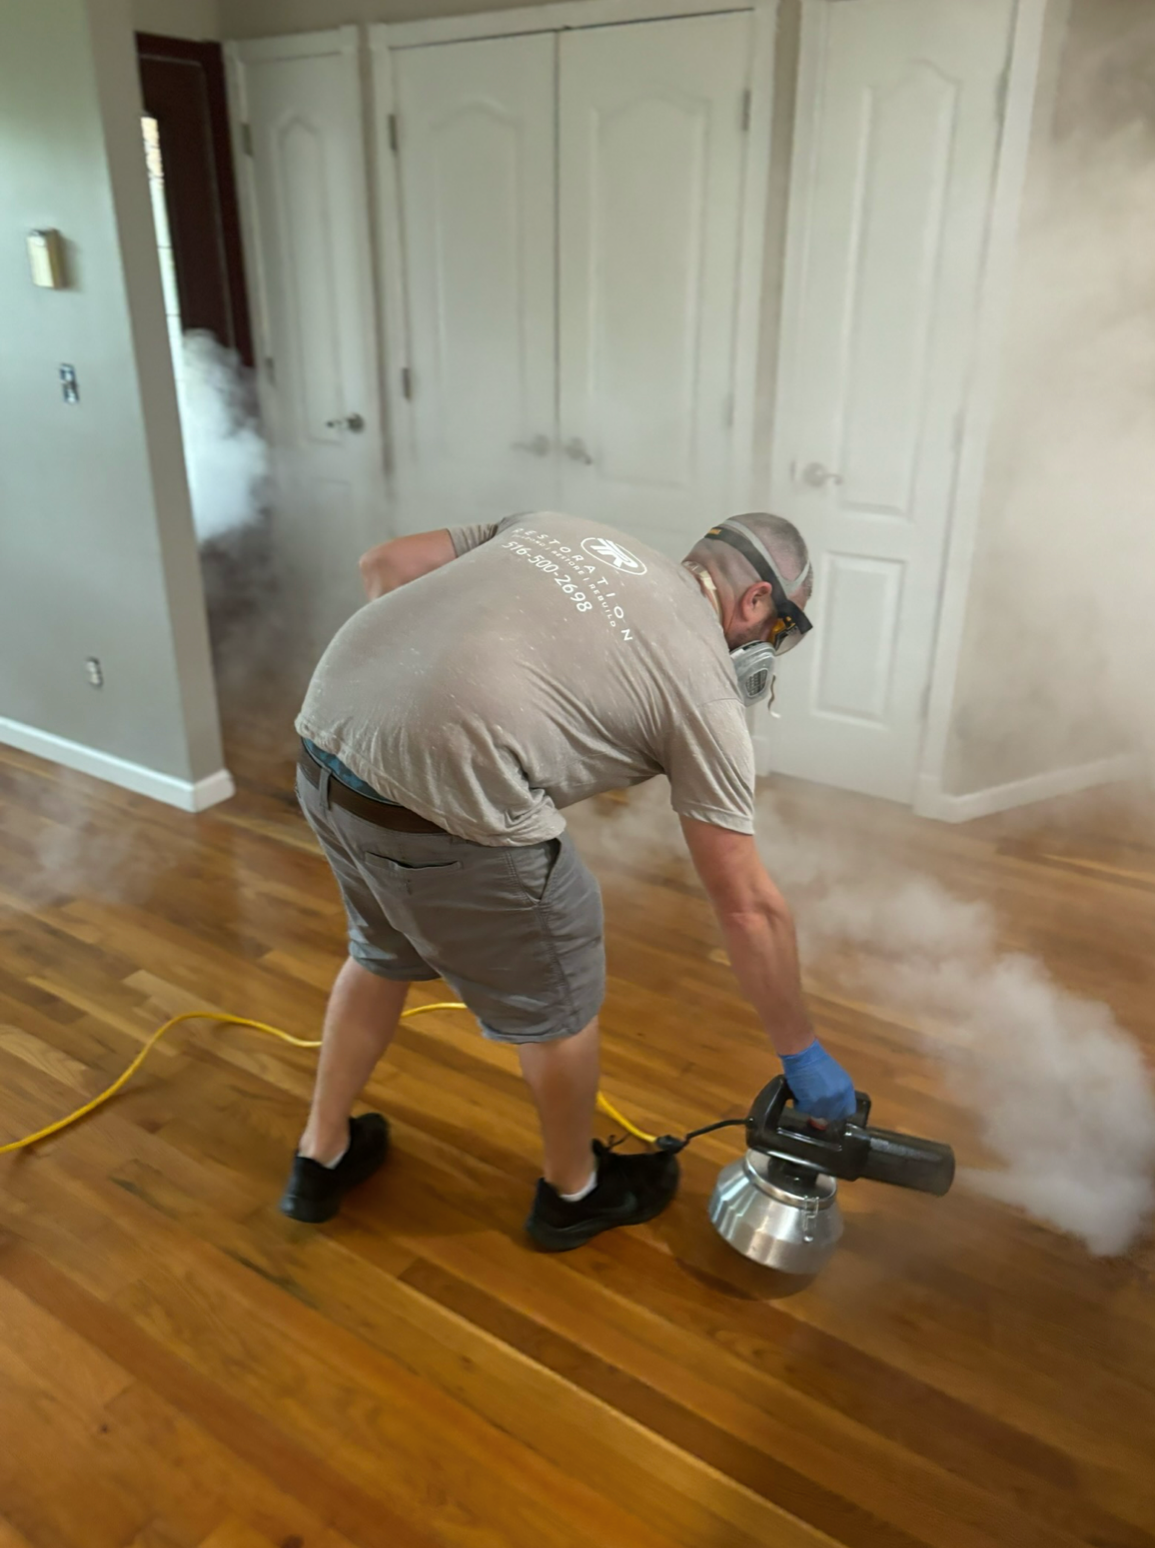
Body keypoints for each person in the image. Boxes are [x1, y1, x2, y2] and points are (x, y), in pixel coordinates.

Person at [280, 512, 857, 1248]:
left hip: (325, 747)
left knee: (379, 950)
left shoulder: (559, 525)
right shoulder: (704, 690)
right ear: (753, 603)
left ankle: (319, 1153)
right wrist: (800, 1052)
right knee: (560, 986)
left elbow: (384, 563)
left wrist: (411, 705)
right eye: (781, 632)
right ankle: (572, 1192)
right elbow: (746, 908)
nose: (768, 650)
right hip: (436, 812)